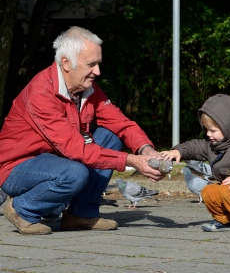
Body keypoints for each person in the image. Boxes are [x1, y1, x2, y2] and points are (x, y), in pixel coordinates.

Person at [0, 26, 165, 235]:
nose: (98, 71)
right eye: (91, 64)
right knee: (75, 173)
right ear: (67, 63)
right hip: (17, 168)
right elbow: (77, 150)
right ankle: (22, 209)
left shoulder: (89, 89)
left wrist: (145, 150)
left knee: (110, 135)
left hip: (59, 159)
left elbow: (121, 123)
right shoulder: (40, 93)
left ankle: (81, 214)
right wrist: (131, 161)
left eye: (98, 63)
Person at [161, 94, 230, 232]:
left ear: (229, 128)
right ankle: (225, 220)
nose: (208, 134)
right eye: (206, 129)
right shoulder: (214, 146)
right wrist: (178, 151)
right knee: (209, 191)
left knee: (227, 190)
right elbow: (196, 146)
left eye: (213, 130)